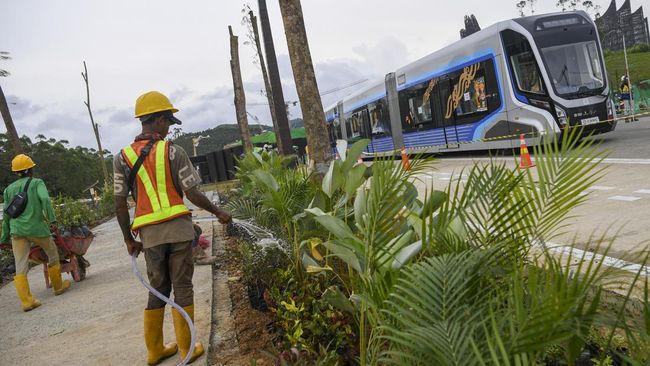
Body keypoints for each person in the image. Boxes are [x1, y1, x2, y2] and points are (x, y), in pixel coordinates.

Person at [114, 91, 232, 365]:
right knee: (182, 286)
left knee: (158, 287)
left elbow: (119, 203)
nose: (169, 128)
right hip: (179, 232)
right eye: (167, 121)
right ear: (156, 120)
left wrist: (128, 239)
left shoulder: (121, 158)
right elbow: (192, 192)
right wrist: (218, 211)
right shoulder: (173, 152)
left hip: (150, 236)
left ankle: (155, 351)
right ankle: (187, 348)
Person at [1, 154, 70, 312]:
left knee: (21, 265)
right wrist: (52, 221)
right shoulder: (37, 183)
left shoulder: (8, 190)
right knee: (52, 253)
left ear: (15, 172)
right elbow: (45, 200)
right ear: (31, 169)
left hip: (16, 231)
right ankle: (58, 287)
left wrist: (4, 237)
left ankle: (26, 301)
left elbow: (6, 215)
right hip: (37, 229)